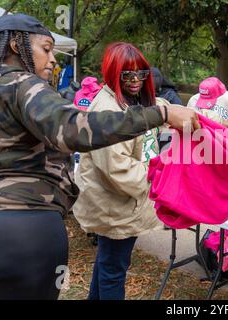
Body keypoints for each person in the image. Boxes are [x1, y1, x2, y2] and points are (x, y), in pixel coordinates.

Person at [0, 13, 199, 300]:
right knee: (112, 268)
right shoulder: (23, 85)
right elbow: (74, 130)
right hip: (25, 228)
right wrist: (160, 116)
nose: (53, 60)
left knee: (109, 265)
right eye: (46, 49)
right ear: (16, 44)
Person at [72, 42, 168, 300]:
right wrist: (159, 177)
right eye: (128, 74)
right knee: (114, 269)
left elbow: (149, 140)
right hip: (116, 204)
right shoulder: (108, 109)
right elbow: (117, 168)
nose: (136, 80)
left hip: (127, 201)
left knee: (108, 264)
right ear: (113, 73)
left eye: (142, 73)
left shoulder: (133, 100)